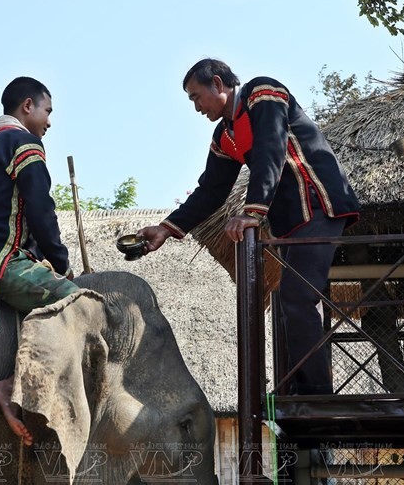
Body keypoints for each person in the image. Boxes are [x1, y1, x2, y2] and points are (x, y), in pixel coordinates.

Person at [137, 59, 360, 395]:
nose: (196, 107)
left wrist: (252, 213)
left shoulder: (262, 94)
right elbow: (211, 190)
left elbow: (272, 147)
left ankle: (315, 393)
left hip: (318, 203)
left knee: (297, 298)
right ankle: (298, 388)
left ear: (217, 83)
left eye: (197, 97)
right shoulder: (224, 135)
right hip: (291, 221)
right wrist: (167, 229)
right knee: (290, 300)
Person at [0, 76, 78, 443]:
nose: (49, 122)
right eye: (47, 111)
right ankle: (12, 384)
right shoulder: (26, 144)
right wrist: (60, 261)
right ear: (27, 106)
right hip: (3, 261)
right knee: (79, 304)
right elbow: (41, 209)